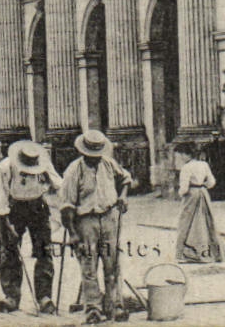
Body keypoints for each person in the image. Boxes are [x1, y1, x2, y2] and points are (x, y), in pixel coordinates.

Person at [59, 129, 134, 324]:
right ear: (83, 153)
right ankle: (93, 309)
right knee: (89, 266)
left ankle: (115, 305)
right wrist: (73, 234)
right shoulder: (73, 170)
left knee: (113, 264)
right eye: (90, 156)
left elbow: (125, 179)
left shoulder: (108, 163)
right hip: (86, 221)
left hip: (110, 218)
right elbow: (66, 207)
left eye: (97, 155)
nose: (94, 159)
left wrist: (123, 196)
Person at [0, 139, 62, 314]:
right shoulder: (5, 167)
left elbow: (59, 184)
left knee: (44, 252)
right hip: (14, 208)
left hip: (38, 208)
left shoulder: (43, 163)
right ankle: (11, 297)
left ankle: (44, 297)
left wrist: (68, 206)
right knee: (9, 253)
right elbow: (0, 198)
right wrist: (7, 223)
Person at [173, 144, 223, 264]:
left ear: (186, 154)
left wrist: (180, 194)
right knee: (205, 221)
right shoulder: (204, 164)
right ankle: (212, 253)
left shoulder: (186, 167)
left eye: (180, 155)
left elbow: (184, 188)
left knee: (186, 222)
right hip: (203, 193)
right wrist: (202, 186)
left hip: (191, 194)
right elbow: (211, 182)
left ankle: (188, 253)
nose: (179, 158)